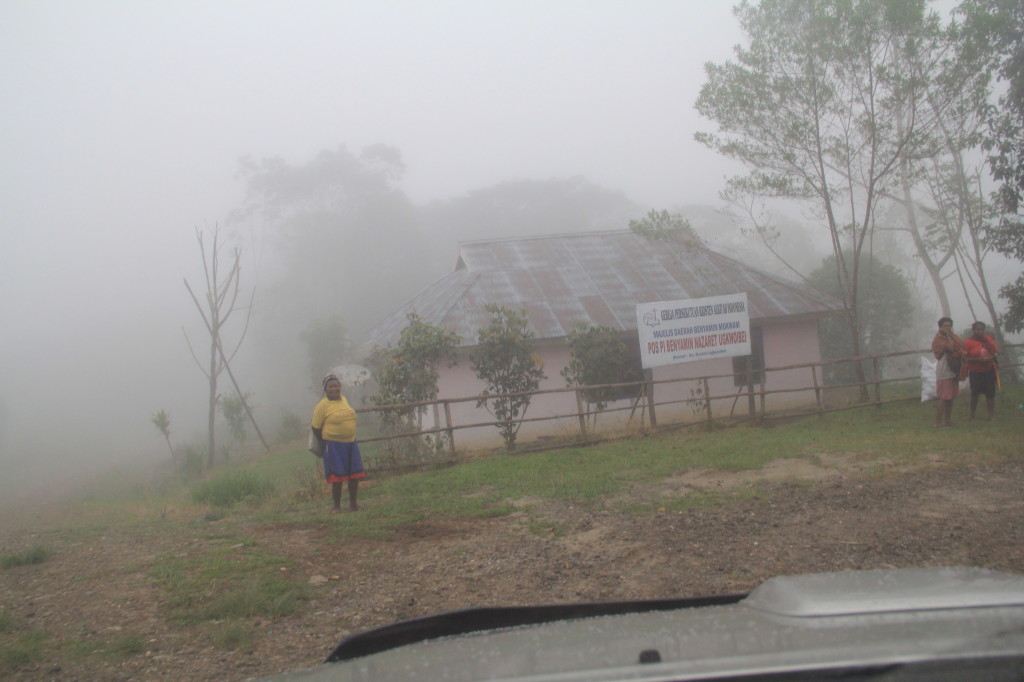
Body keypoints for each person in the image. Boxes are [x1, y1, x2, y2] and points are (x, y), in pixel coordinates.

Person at [310, 374, 364, 512]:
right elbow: (316, 428)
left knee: (354, 475)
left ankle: (353, 504)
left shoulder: (344, 400)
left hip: (351, 442)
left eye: (337, 386)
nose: (334, 389)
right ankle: (337, 506)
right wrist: (325, 443)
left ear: (340, 387)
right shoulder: (322, 406)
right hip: (334, 445)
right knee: (337, 477)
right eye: (331, 386)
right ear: (325, 389)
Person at [930, 317, 965, 428]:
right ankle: (938, 422)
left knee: (951, 397)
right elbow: (949, 348)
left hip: (954, 369)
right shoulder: (939, 339)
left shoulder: (954, 337)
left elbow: (961, 346)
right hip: (944, 369)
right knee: (944, 397)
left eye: (949, 326)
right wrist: (949, 337)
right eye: (945, 326)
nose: (948, 328)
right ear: (940, 327)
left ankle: (947, 421)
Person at [962, 321, 999, 420]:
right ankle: (972, 415)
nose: (980, 332)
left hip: (989, 370)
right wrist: (977, 360)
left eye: (982, 329)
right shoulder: (968, 342)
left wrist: (990, 358)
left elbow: (996, 352)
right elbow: (964, 358)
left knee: (990, 394)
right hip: (975, 372)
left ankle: (991, 415)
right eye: (978, 330)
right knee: (974, 394)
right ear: (973, 330)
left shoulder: (989, 340)